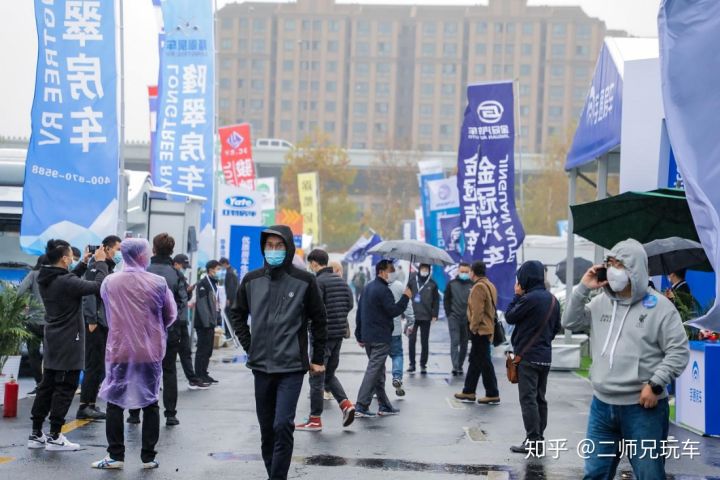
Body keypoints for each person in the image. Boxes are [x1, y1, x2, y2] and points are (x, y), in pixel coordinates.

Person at [563, 239, 689, 479]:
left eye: (619, 264)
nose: (612, 270)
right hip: (601, 405)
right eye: (609, 263)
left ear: (635, 269)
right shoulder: (601, 302)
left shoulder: (660, 307)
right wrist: (583, 288)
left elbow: (679, 350)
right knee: (594, 475)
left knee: (649, 474)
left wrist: (656, 384)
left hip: (642, 409)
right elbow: (569, 321)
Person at [230, 225, 327, 480]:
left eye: (278, 246)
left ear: (288, 248)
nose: (273, 250)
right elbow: (236, 313)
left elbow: (320, 319)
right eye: (269, 246)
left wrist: (317, 358)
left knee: (282, 424)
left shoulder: (305, 280)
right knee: (267, 430)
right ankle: (273, 473)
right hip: (261, 367)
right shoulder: (251, 280)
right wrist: (249, 345)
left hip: (292, 367)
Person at [91, 238, 177, 470]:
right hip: (150, 351)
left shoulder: (110, 282)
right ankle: (148, 457)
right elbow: (170, 315)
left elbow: (107, 309)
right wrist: (152, 329)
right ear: (142, 256)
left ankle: (115, 455)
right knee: (150, 401)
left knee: (115, 401)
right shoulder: (158, 283)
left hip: (119, 348)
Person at [28, 239, 108, 451]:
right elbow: (98, 287)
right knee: (66, 387)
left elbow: (69, 279)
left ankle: (36, 433)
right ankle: (55, 435)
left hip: (54, 338)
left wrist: (83, 263)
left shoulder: (46, 277)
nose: (72, 257)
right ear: (64, 258)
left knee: (47, 385)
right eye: (71, 255)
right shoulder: (65, 282)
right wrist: (101, 263)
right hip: (69, 341)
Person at [146, 233, 203, 426]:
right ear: (171, 251)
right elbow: (182, 303)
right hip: (170, 331)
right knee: (169, 371)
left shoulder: (144, 271)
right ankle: (170, 414)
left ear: (153, 249)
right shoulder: (176, 274)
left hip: (143, 332)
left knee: (142, 370)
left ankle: (135, 413)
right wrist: (173, 326)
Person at [505, 260, 562, 454]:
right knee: (540, 398)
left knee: (528, 399)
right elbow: (556, 328)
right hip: (545, 357)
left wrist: (516, 295)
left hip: (527, 357)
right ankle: (538, 438)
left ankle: (533, 440)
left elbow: (510, 316)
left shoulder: (528, 299)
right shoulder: (553, 300)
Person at [296, 249, 356, 432]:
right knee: (328, 375)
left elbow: (312, 310)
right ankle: (346, 404)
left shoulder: (316, 282)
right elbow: (350, 304)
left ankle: (314, 419)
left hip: (321, 337)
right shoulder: (341, 282)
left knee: (316, 376)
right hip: (338, 336)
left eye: (310, 264)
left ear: (314, 263)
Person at [354, 260, 412, 417]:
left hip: (368, 337)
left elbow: (360, 312)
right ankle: (361, 405)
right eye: (390, 270)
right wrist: (406, 297)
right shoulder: (383, 290)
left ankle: (384, 405)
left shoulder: (367, 288)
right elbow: (393, 311)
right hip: (380, 337)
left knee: (378, 372)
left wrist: (359, 334)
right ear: (381, 271)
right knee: (374, 370)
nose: (392, 272)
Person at [77, 235, 123, 420]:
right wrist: (91, 320)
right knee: (93, 365)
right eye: (117, 249)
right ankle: (84, 406)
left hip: (104, 322)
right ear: (106, 249)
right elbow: (89, 294)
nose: (119, 253)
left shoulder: (108, 269)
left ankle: (92, 404)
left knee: (99, 367)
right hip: (95, 323)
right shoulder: (95, 267)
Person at [454, 261, 500, 405]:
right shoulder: (490, 285)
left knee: (482, 362)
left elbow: (477, 312)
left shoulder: (478, 287)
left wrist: (472, 329)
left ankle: (487, 393)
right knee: (478, 361)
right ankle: (471, 391)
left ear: (473, 272)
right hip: (487, 329)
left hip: (480, 331)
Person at [173, 254, 208, 390]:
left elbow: (185, 298)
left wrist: (188, 291)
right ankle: (158, 380)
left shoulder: (182, 278)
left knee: (186, 351)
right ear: (176, 264)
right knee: (165, 354)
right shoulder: (170, 277)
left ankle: (192, 379)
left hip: (181, 320)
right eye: (183, 266)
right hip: (170, 321)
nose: (184, 269)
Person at [17, 255, 48, 394]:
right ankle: (50, 384)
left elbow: (19, 292)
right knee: (51, 355)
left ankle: (39, 384)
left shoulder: (33, 274)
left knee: (33, 354)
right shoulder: (56, 276)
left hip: (33, 322)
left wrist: (25, 306)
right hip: (51, 322)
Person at [388, 264, 415, 397]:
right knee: (397, 354)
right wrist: (410, 322)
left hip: (377, 331)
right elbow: (408, 306)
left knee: (377, 361)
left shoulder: (373, 286)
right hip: (395, 330)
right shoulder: (399, 286)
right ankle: (397, 377)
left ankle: (376, 385)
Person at [407, 263, 439, 374]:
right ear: (419, 269)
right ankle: (412, 364)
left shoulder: (433, 284)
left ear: (429, 270)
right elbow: (406, 297)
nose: (424, 270)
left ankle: (423, 364)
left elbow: (436, 300)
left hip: (426, 316)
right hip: (413, 316)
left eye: (426, 269)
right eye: (423, 268)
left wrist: (435, 314)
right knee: (412, 340)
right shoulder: (411, 280)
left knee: (424, 342)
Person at [194, 260, 222, 384]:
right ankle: (199, 375)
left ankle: (204, 373)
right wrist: (207, 322)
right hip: (203, 324)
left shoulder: (213, 283)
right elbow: (202, 306)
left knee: (208, 350)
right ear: (211, 269)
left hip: (210, 322)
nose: (219, 272)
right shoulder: (203, 283)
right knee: (202, 349)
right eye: (218, 269)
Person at [444, 262, 473, 376]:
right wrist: (449, 314)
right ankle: (455, 366)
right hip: (454, 317)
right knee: (455, 341)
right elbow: (446, 299)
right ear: (458, 271)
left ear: (470, 272)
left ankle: (460, 364)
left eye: (466, 272)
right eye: (462, 271)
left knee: (464, 343)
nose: (464, 274)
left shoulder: (473, 285)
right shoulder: (451, 284)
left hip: (467, 319)